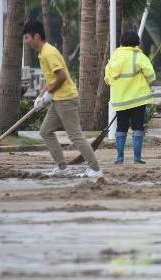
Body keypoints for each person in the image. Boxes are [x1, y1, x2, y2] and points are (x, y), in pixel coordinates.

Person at [23, 21, 102, 178]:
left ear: (36, 36)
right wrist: (41, 96)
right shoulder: (43, 53)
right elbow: (51, 79)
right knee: (45, 131)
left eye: (27, 38)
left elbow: (61, 76)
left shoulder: (49, 53)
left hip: (66, 99)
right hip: (58, 99)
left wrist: (48, 94)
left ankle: (95, 169)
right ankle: (62, 167)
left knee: (75, 135)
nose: (26, 42)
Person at [104, 30, 156, 164]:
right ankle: (137, 158)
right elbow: (151, 76)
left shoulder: (115, 56)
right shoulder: (139, 56)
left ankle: (120, 157)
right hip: (138, 99)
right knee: (138, 128)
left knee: (121, 127)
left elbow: (108, 78)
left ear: (122, 42)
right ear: (136, 42)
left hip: (121, 100)